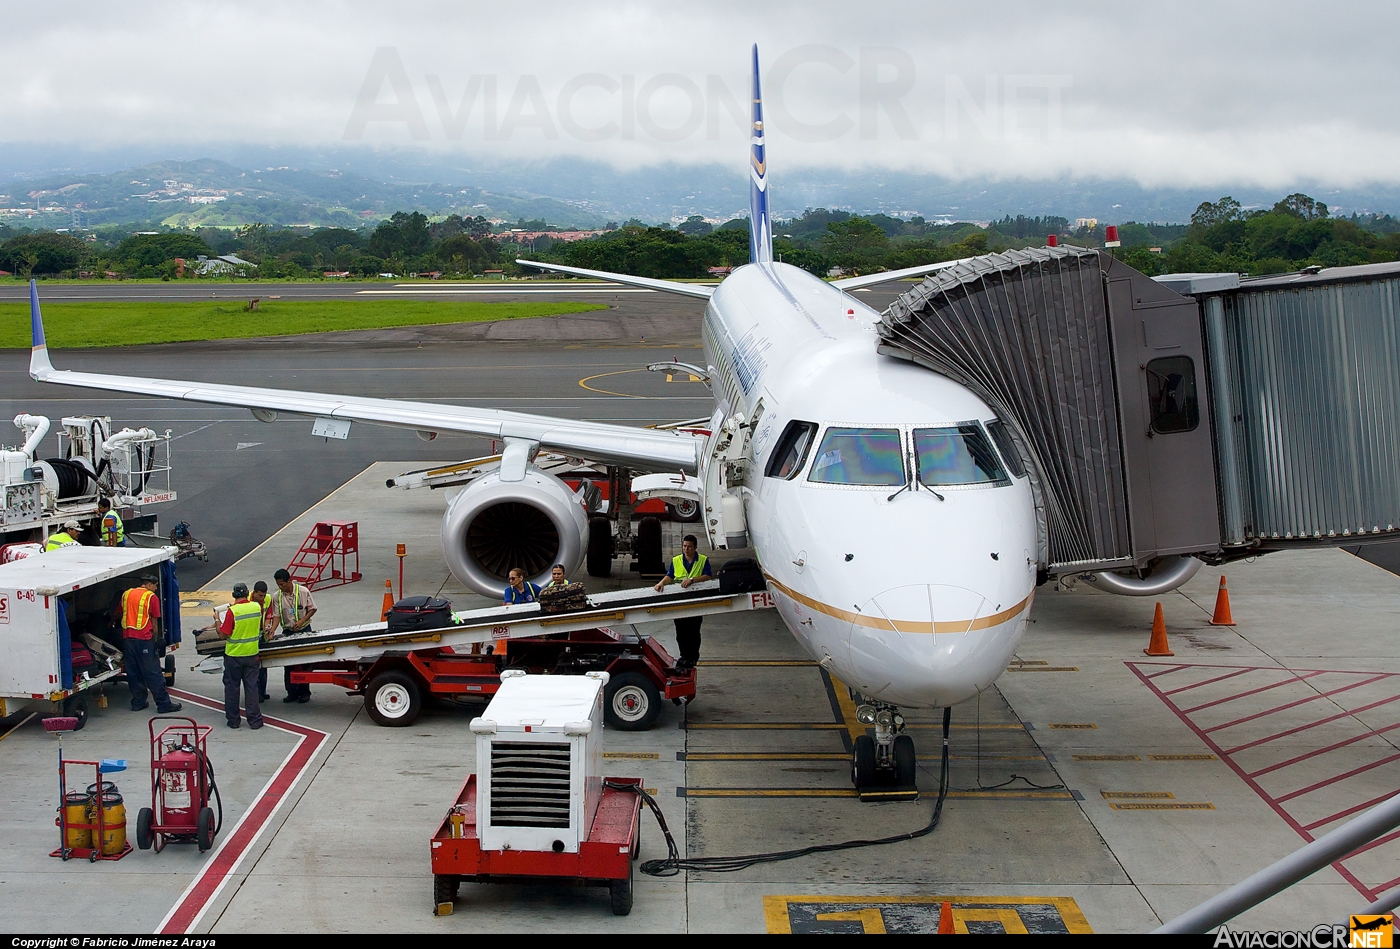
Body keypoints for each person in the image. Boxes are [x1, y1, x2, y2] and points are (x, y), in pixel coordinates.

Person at [120, 574, 182, 713]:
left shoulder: (127, 594)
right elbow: (154, 622)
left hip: (128, 639)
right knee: (153, 673)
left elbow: (121, 612)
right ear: (148, 584)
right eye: (155, 585)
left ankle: (138, 702)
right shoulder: (151, 597)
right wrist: (155, 640)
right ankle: (163, 704)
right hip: (144, 639)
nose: (156, 588)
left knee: (133, 672)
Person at [653, 534, 712, 670]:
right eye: (684, 546)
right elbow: (670, 575)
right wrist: (661, 583)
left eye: (689, 546)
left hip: (695, 602)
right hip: (679, 603)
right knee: (681, 632)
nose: (686, 549)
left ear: (695, 547)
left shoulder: (702, 560)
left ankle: (692, 657)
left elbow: (708, 576)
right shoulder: (676, 560)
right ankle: (684, 656)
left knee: (694, 631)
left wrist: (692, 580)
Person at [216, 582, 263, 729]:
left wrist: (217, 620)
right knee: (252, 688)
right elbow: (259, 626)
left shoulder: (232, 611)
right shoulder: (256, 607)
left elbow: (223, 635)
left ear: (234, 595)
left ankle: (234, 721)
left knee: (232, 689)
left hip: (234, 655)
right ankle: (255, 721)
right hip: (252, 654)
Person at [267, 568, 316, 703]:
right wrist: (272, 630)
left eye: (282, 584)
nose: (280, 587)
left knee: (305, 662)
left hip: (304, 629)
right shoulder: (277, 596)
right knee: (288, 663)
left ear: (289, 581)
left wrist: (301, 621)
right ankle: (291, 692)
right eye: (278, 585)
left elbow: (313, 609)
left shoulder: (303, 592)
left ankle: (305, 692)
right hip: (288, 631)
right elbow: (276, 616)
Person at [251, 580, 271, 702]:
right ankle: (256, 693)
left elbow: (269, 614)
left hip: (262, 633)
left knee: (263, 666)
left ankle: (262, 691)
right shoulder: (247, 601)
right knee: (254, 666)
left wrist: (267, 628)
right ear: (254, 593)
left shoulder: (267, 599)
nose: (262, 598)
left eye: (264, 595)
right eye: (260, 595)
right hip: (252, 636)